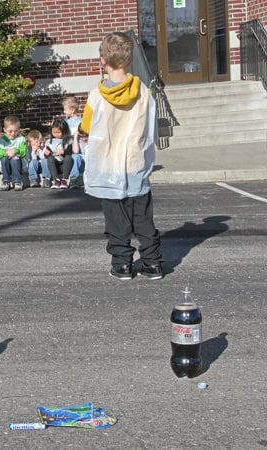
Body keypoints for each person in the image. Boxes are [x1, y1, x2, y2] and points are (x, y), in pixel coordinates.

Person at [80, 31, 163, 280]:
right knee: (143, 218)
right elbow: (151, 129)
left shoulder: (96, 97)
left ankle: (122, 264)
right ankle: (152, 262)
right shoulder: (144, 94)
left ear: (102, 61)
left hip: (108, 166)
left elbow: (86, 127)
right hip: (135, 162)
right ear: (129, 61)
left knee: (116, 219)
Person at [0, 115, 27, 191]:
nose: (13, 133)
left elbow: (23, 152)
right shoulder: (2, 140)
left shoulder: (21, 139)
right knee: (4, 158)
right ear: (4, 130)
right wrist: (6, 152)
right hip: (6, 165)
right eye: (10, 131)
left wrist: (16, 151)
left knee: (15, 158)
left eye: (16, 131)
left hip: (19, 165)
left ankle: (17, 181)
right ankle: (6, 181)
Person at [43, 118, 74, 189]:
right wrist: (46, 153)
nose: (56, 134)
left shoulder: (69, 140)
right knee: (50, 158)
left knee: (68, 157)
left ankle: (64, 180)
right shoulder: (49, 141)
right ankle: (55, 180)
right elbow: (47, 153)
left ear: (64, 131)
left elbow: (70, 151)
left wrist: (63, 152)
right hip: (54, 165)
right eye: (54, 132)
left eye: (59, 132)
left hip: (65, 165)